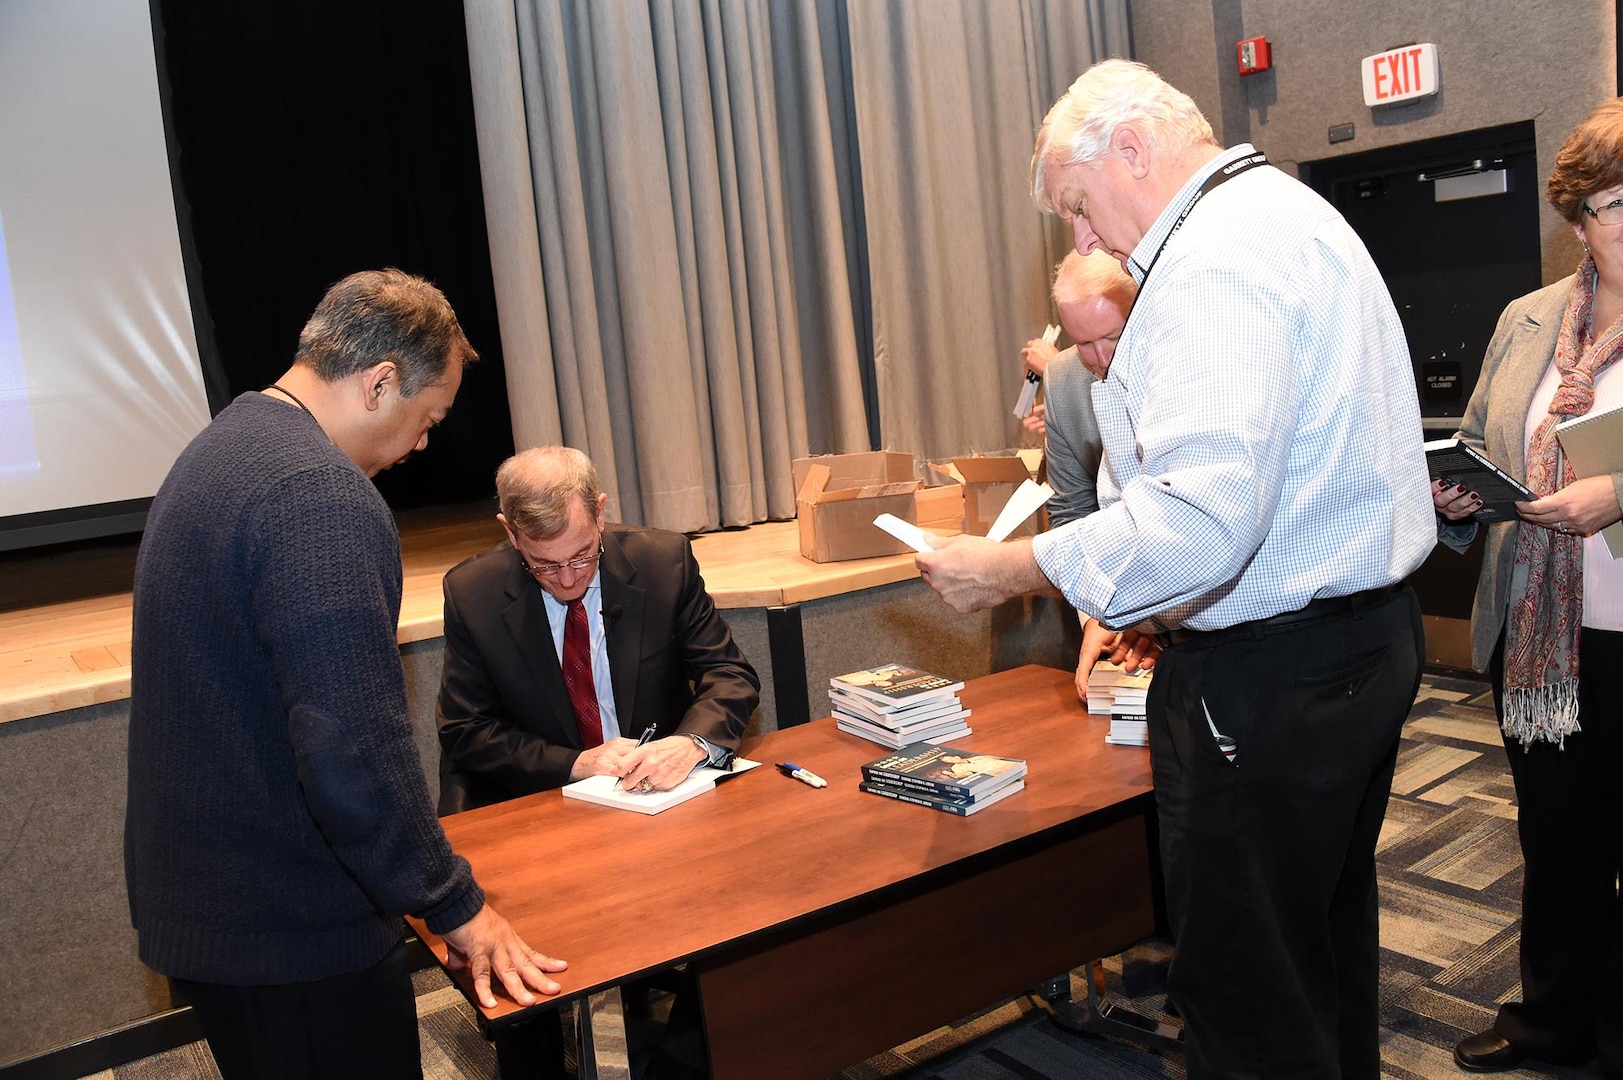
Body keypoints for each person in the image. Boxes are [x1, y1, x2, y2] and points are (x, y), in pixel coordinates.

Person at [916, 59, 1434, 1079]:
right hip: (1360, 646)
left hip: (1270, 678)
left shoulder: (1211, 261)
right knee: (1319, 955)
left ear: (1135, 150)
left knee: (1248, 995)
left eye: (1077, 205)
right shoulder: (1289, 212)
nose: (1084, 238)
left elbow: (1198, 523)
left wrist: (1015, 567)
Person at [125, 269, 566, 1080]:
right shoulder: (318, 497)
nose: (423, 444)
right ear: (380, 382)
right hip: (288, 928)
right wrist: (452, 905)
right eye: (427, 417)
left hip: (215, 900)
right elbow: (348, 746)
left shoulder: (227, 441)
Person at [1434, 100, 1623, 1079]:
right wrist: (1459, 492)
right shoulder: (1528, 320)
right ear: (1577, 218)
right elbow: (1479, 437)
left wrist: (1617, 495)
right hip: (1543, 638)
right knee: (1557, 842)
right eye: (1613, 202)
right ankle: (1555, 1019)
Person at [435, 445, 759, 812]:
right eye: (543, 564)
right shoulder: (474, 594)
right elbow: (465, 729)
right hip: (544, 803)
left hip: (659, 795)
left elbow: (729, 673)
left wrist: (691, 743)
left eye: (582, 554)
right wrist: (576, 763)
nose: (568, 579)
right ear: (511, 534)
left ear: (600, 513)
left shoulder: (663, 565)